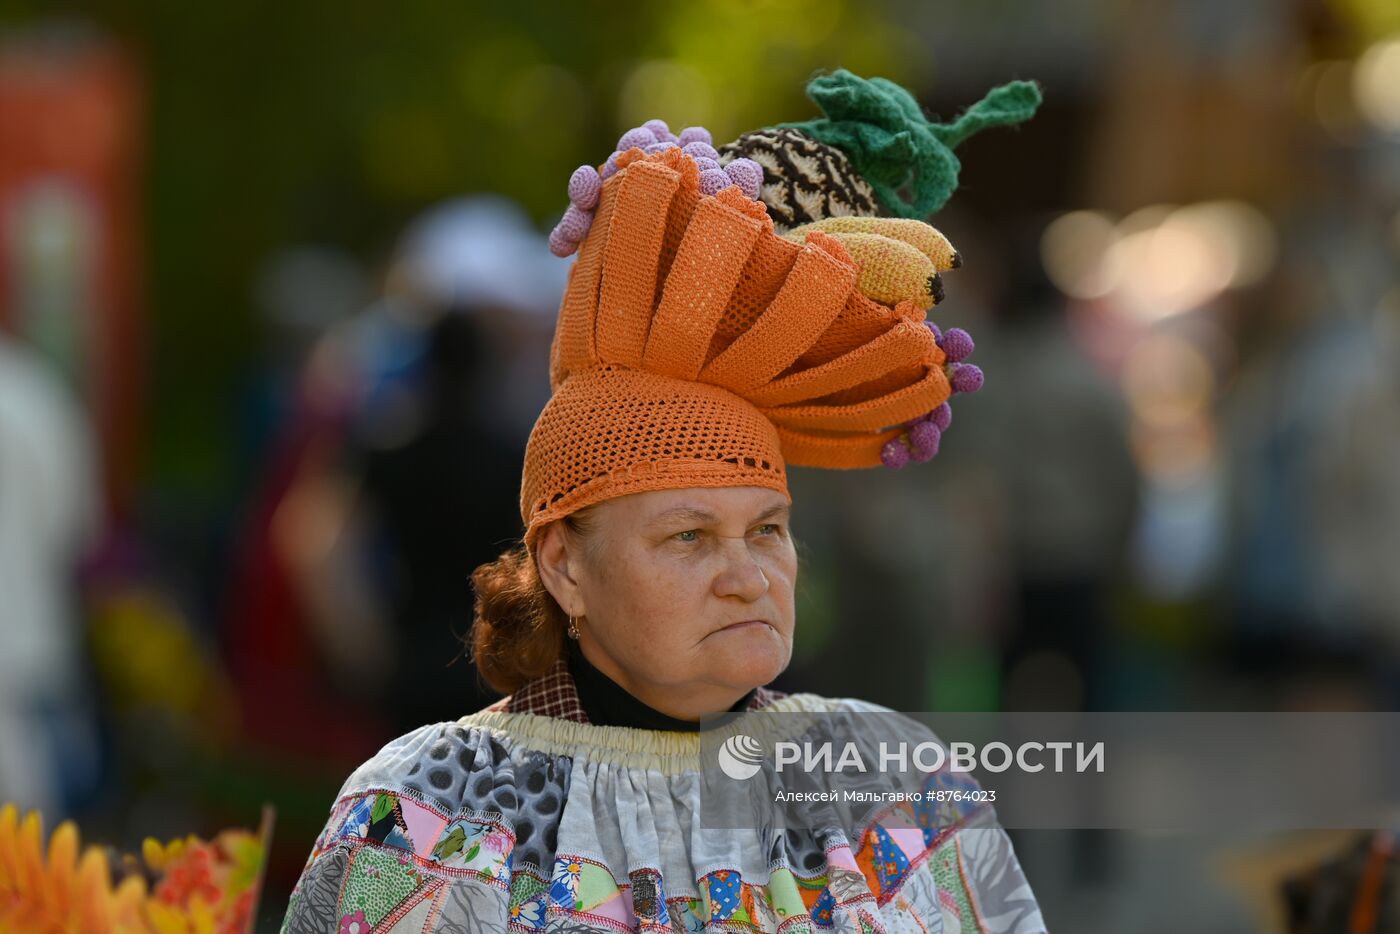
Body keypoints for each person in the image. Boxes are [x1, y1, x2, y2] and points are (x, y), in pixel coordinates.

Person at [281, 69, 1048, 933]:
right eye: (688, 537)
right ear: (564, 565)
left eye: (767, 530)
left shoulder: (896, 788)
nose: (748, 577)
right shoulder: (426, 814)